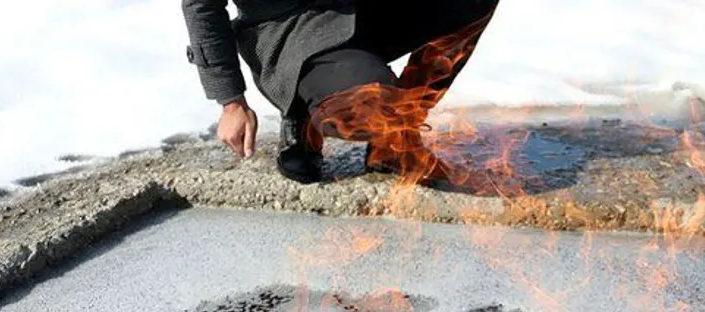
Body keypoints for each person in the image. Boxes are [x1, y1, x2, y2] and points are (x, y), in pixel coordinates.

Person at [182, 0, 499, 184]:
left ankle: (396, 141)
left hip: (362, 10)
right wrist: (230, 100)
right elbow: (201, 7)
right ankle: (301, 111)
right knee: (366, 111)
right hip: (296, 33)